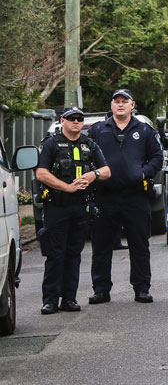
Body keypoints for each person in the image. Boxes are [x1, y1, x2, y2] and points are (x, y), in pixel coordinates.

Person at [87, 89, 163, 304]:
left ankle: (141, 288)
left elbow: (157, 157)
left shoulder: (144, 130)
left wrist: (144, 172)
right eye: (116, 101)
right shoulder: (97, 130)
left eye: (124, 101)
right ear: (111, 105)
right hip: (105, 195)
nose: (120, 105)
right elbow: (87, 155)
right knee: (101, 246)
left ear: (132, 105)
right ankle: (101, 289)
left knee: (140, 245)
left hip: (135, 196)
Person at [35, 107, 111, 314]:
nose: (76, 122)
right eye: (71, 119)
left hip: (80, 206)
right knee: (55, 253)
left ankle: (69, 298)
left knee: (74, 254)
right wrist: (66, 187)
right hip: (57, 206)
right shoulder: (51, 144)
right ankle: (50, 299)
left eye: (79, 119)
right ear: (63, 121)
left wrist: (92, 175)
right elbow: (41, 173)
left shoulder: (89, 144)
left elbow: (106, 171)